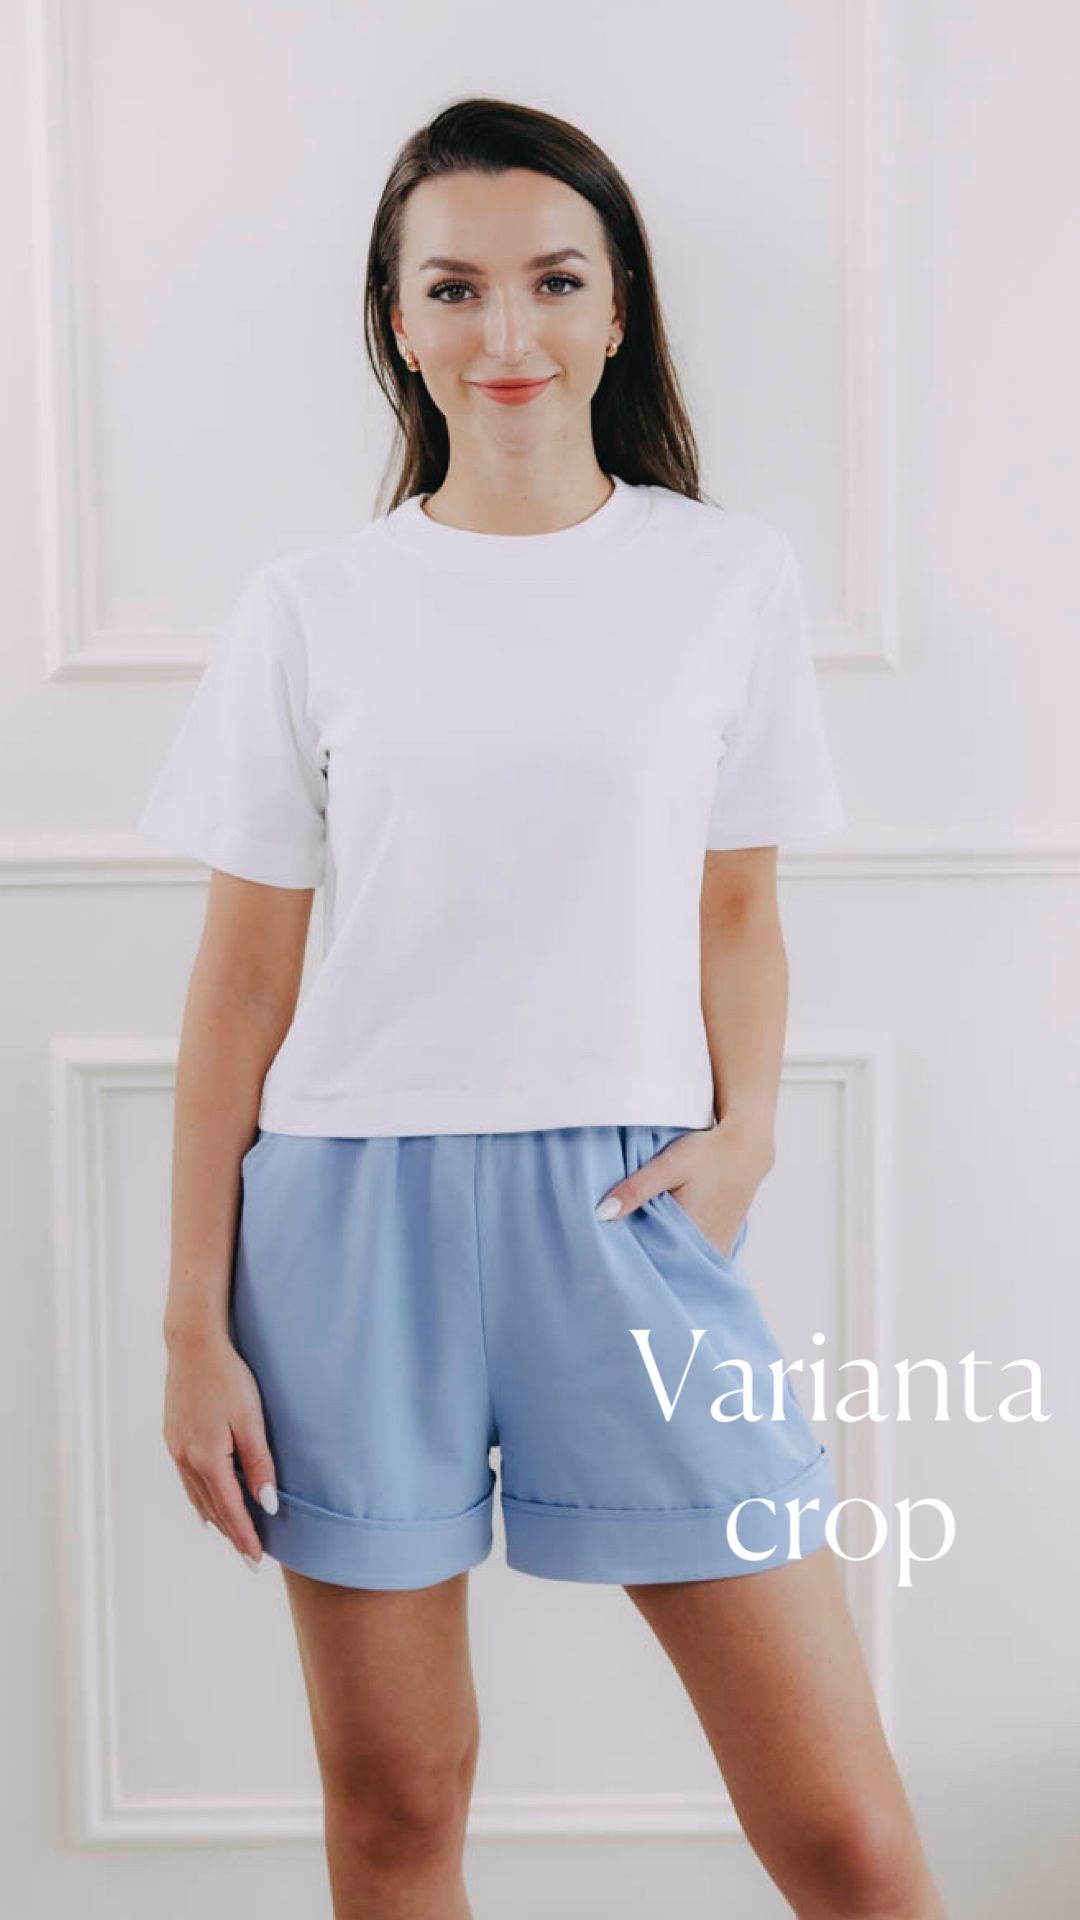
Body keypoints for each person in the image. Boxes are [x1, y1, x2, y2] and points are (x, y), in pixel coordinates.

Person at [139, 96, 947, 1920]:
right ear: (399, 319)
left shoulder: (725, 577)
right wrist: (194, 1323)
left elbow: (738, 909)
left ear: (616, 307)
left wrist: (744, 1138)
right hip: (348, 1230)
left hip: (627, 1213)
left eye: (554, 281)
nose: (506, 330)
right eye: (455, 288)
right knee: (399, 1806)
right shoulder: (312, 607)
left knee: (844, 1832)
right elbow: (244, 981)